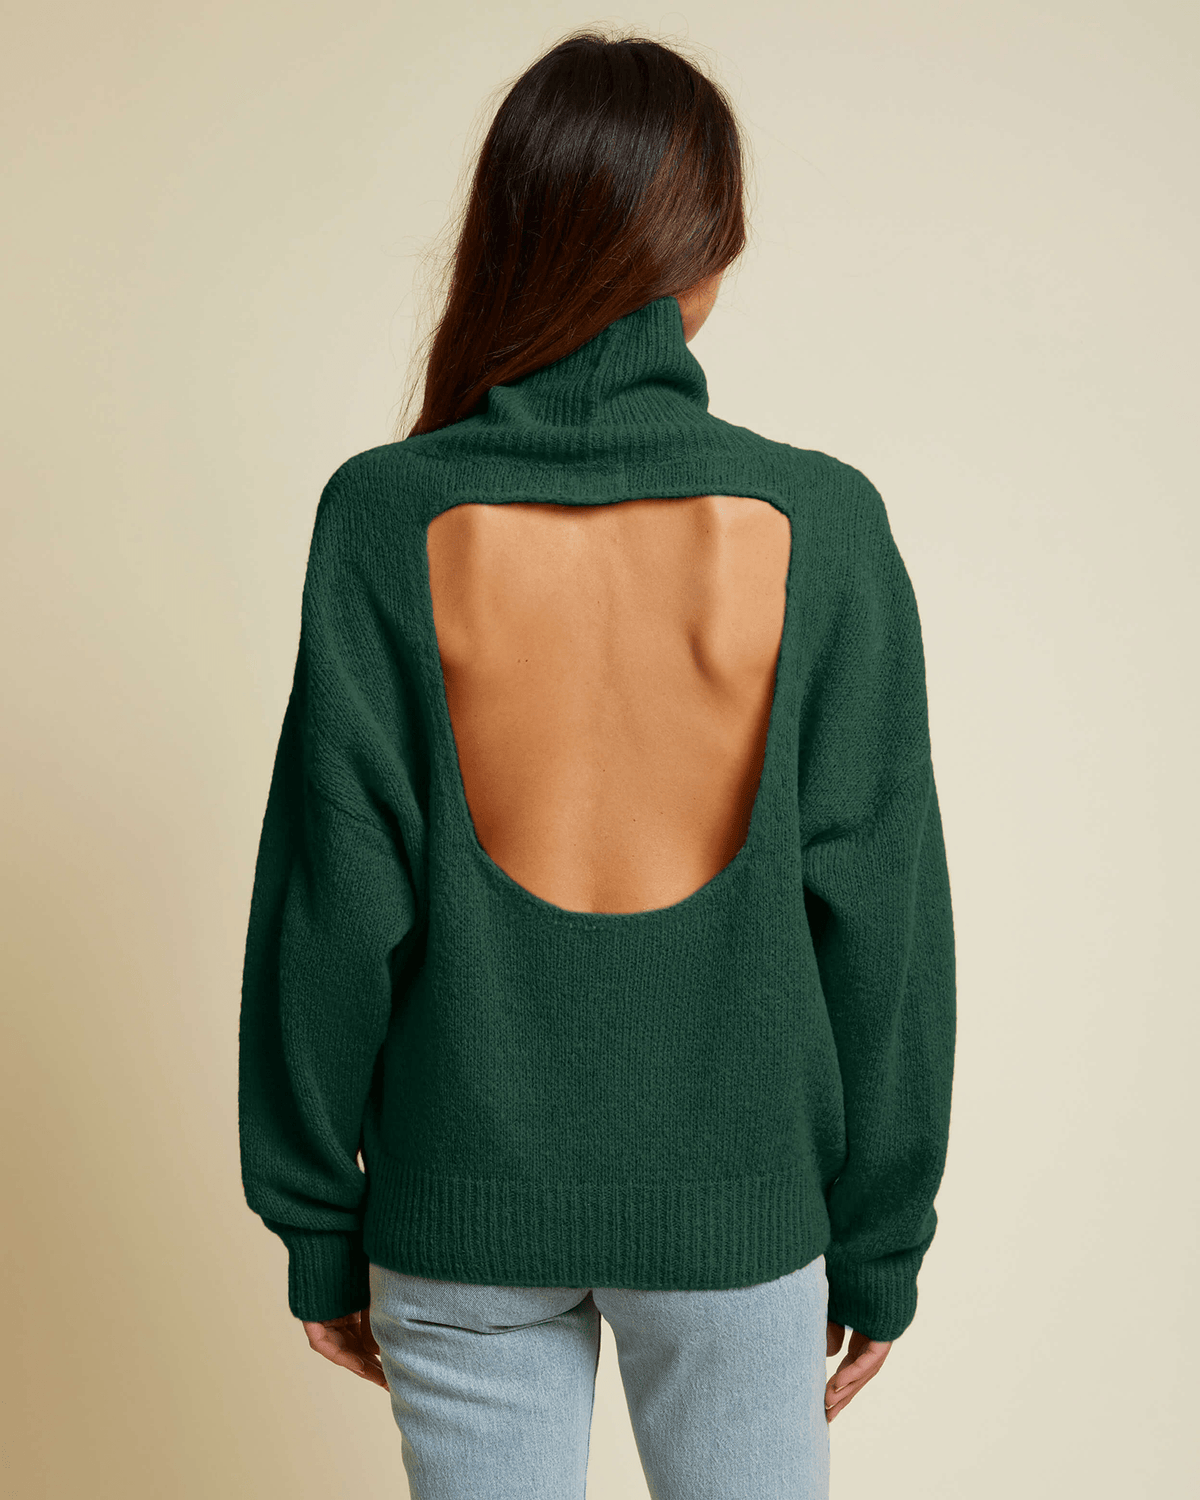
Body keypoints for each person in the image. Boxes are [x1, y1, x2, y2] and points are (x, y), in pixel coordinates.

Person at [238, 27, 956, 1500]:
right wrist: (881, 1242)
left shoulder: (384, 516)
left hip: (458, 1212)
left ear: (508, 233)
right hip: (739, 1215)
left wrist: (318, 1221)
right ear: (712, 248)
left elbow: (330, 904)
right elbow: (886, 928)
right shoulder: (822, 524)